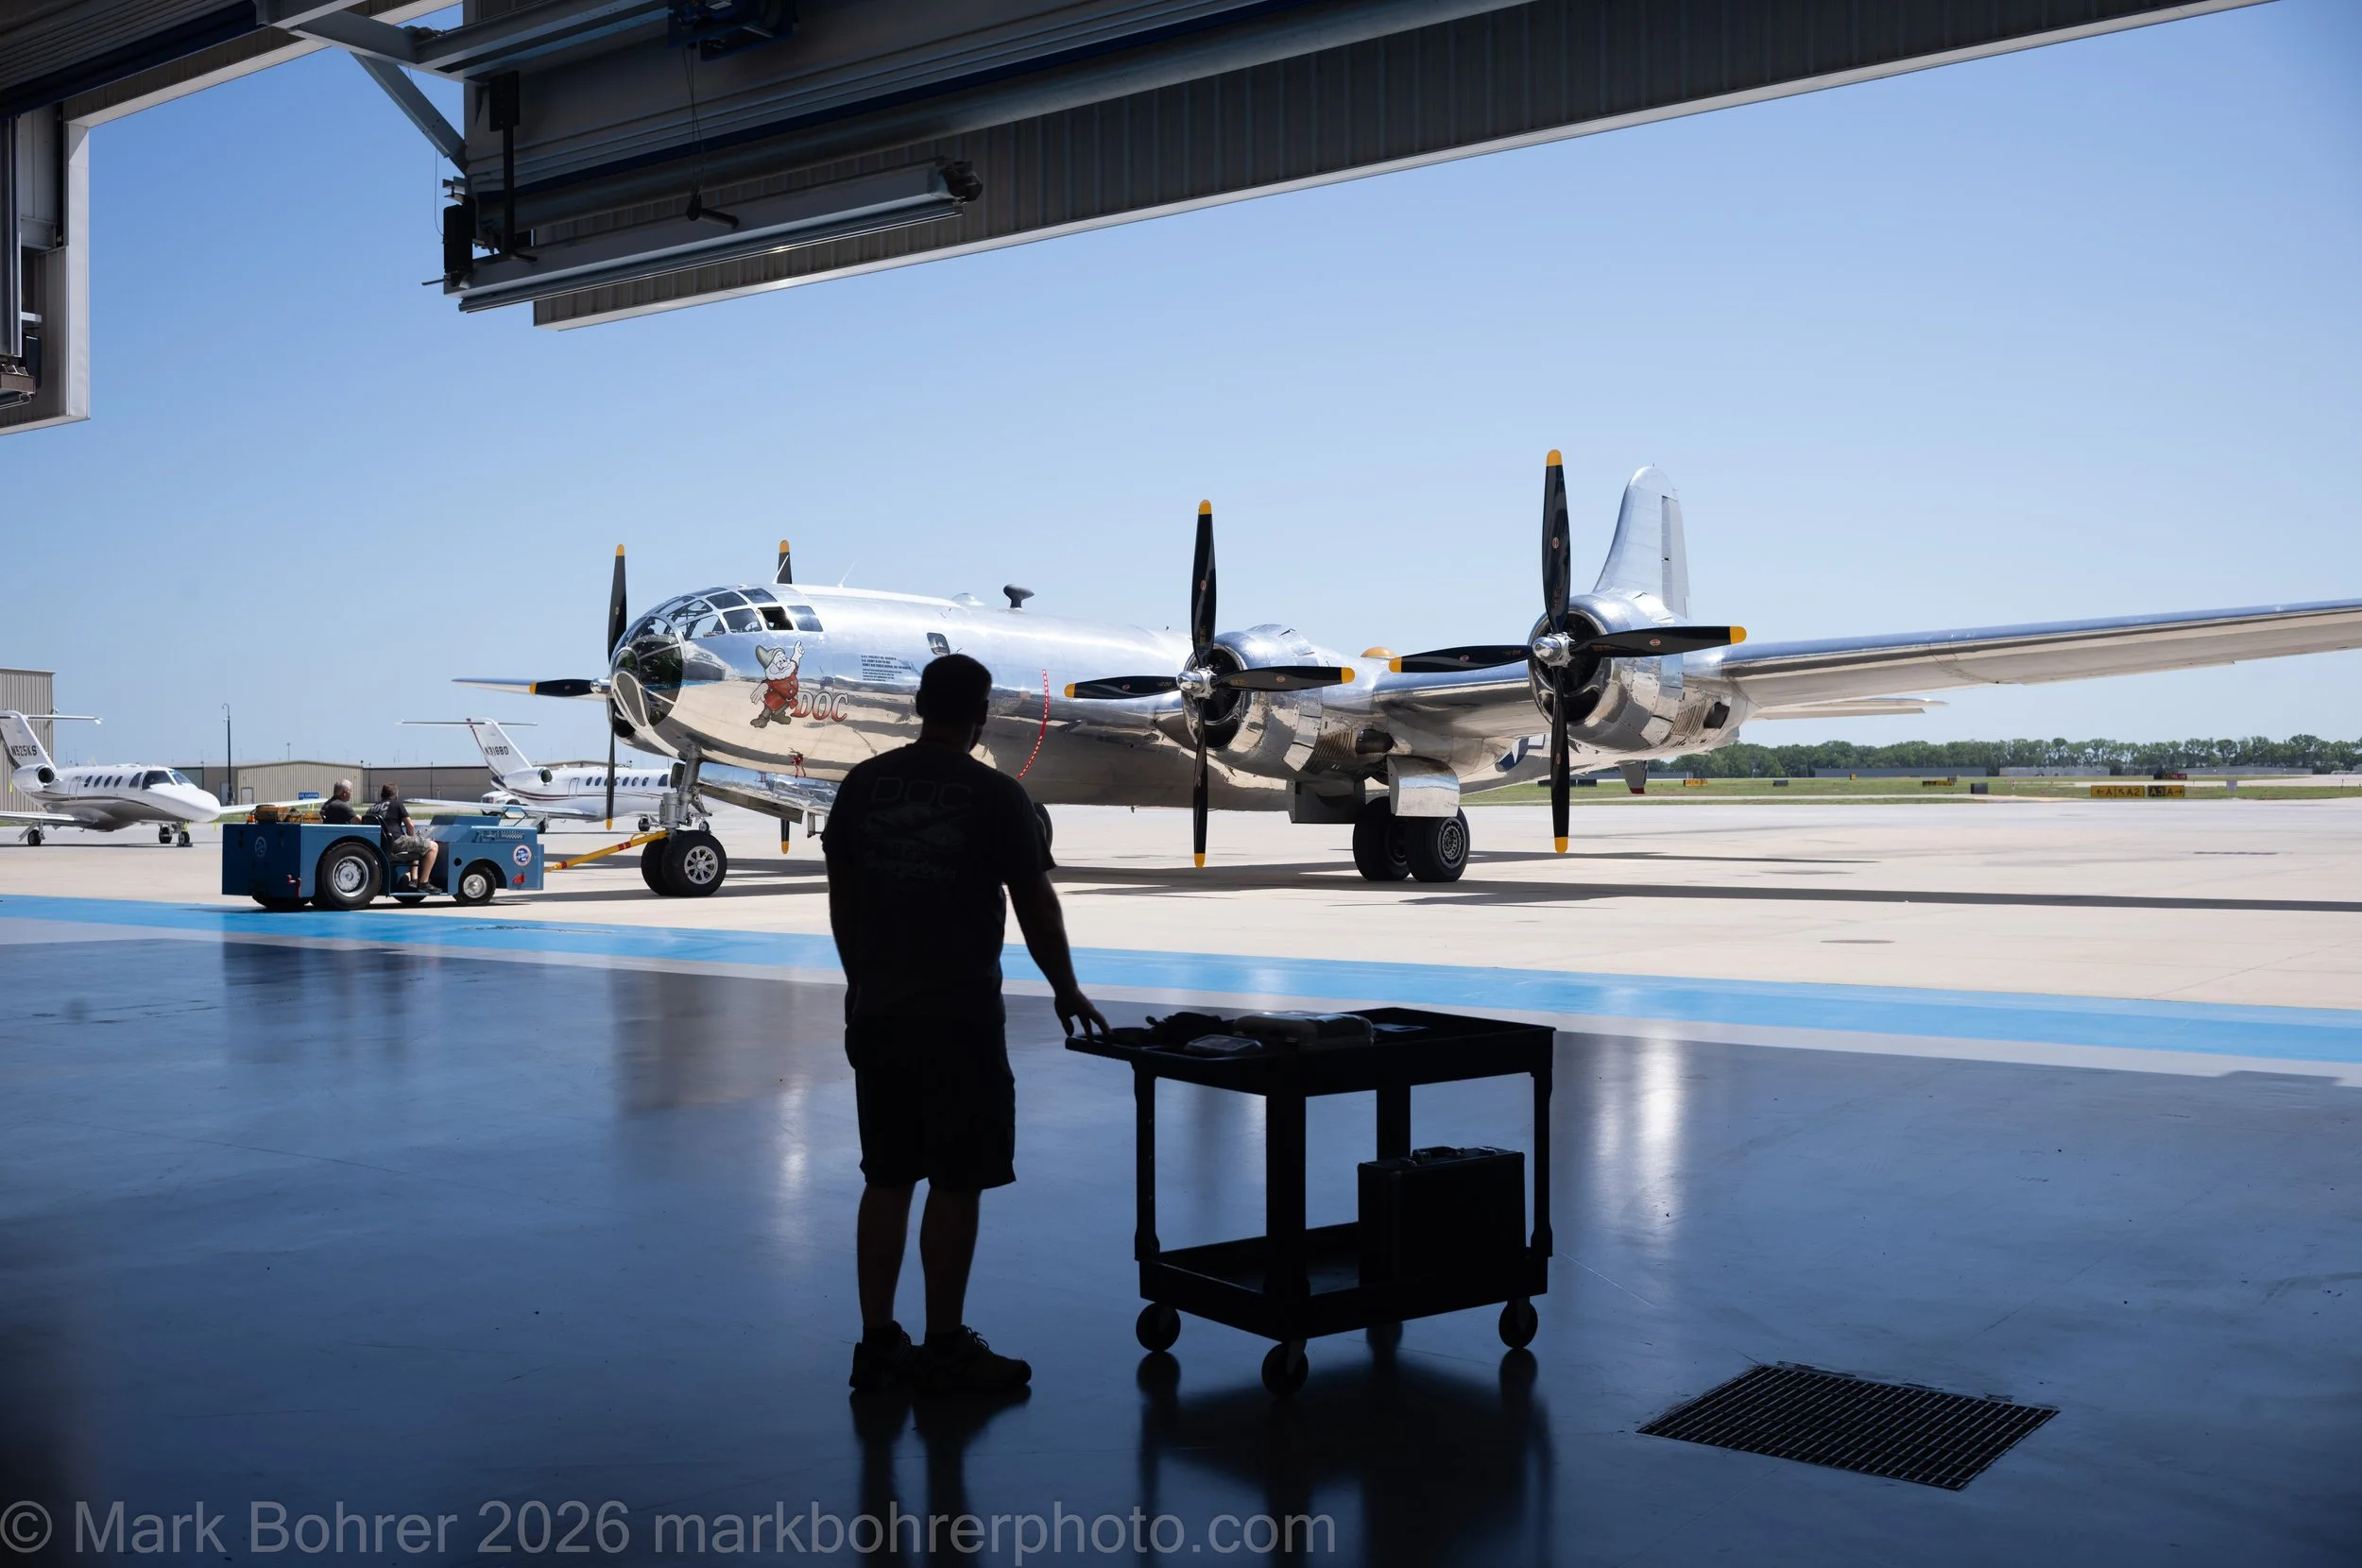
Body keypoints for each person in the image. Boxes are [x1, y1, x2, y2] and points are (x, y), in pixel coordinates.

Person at [824, 653, 1106, 1397]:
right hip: (958, 1019)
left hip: (880, 1010)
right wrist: (1066, 988)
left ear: (919, 704)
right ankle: (945, 1345)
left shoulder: (861, 787)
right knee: (955, 1181)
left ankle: (878, 1343)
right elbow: (1035, 905)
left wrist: (862, 986)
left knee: (885, 1177)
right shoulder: (996, 796)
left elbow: (842, 898)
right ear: (982, 713)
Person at [375, 783, 438, 891]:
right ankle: (424, 883)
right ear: (396, 795)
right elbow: (410, 825)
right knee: (433, 846)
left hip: (380, 845)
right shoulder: (396, 804)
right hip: (395, 843)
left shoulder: (373, 808)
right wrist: (414, 839)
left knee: (415, 846)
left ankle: (414, 880)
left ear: (381, 795)